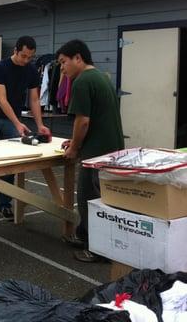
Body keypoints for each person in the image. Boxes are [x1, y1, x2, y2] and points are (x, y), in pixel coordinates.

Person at [56, 39, 124, 263]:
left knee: (90, 199)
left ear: (78, 58)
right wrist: (73, 140)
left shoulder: (82, 81)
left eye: (64, 62)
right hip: (110, 148)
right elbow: (93, 120)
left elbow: (83, 121)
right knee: (101, 198)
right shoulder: (100, 77)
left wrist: (74, 148)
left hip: (97, 154)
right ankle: (84, 237)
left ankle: (98, 249)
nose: (62, 69)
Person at [0, 36, 51, 219]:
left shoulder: (31, 70)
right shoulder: (0, 67)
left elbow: (35, 99)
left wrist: (40, 125)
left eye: (30, 57)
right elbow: (1, 99)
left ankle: (5, 204)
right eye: (23, 56)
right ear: (15, 50)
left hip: (13, 119)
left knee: (10, 162)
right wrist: (17, 123)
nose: (26, 60)